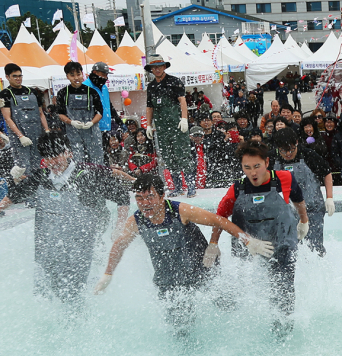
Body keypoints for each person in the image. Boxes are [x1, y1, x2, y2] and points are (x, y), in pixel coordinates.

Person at [98, 174, 260, 337]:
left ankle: (242, 329)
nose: (145, 204)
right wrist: (107, 274)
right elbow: (119, 245)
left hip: (200, 268)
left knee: (224, 305)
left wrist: (247, 241)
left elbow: (219, 221)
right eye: (139, 198)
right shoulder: (136, 221)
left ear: (162, 197)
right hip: (168, 278)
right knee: (179, 326)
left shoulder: (181, 211)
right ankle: (187, 354)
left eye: (150, 197)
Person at [210, 142, 310, 334]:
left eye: (257, 166)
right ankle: (244, 325)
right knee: (245, 285)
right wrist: (213, 243)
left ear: (267, 162)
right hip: (249, 245)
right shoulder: (237, 188)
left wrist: (304, 221)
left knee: (283, 287)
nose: (253, 173)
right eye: (247, 167)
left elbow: (298, 199)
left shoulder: (285, 179)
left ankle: (283, 329)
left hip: (281, 242)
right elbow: (219, 217)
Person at [19, 133, 129, 305]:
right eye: (47, 158)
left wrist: (120, 226)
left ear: (68, 153)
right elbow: (17, 192)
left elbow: (118, 185)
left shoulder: (87, 172)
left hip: (95, 220)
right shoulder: (44, 176)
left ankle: (95, 292)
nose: (52, 162)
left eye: (55, 156)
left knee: (92, 255)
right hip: (66, 226)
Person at [273, 129, 334, 256]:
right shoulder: (272, 158)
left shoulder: (308, 155)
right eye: (283, 151)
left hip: (312, 208)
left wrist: (329, 197)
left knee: (314, 245)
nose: (288, 154)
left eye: (291, 150)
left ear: (296, 143)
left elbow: (327, 173)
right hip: (287, 211)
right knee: (289, 247)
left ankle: (319, 267)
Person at [143, 55, 196, 198]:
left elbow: (182, 101)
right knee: (168, 157)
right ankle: (177, 187)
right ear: (151, 70)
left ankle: (191, 186)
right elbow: (149, 107)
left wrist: (184, 119)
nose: (157, 69)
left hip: (177, 125)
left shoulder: (174, 82)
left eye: (160, 66)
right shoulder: (151, 86)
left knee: (183, 155)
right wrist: (148, 125)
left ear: (164, 67)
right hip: (161, 127)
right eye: (154, 67)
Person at [0, 63, 49, 183]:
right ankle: (26, 194)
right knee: (23, 167)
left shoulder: (32, 92)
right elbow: (8, 118)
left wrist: (46, 131)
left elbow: (41, 113)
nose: (18, 78)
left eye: (20, 76)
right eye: (15, 76)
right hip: (20, 139)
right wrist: (20, 136)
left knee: (40, 165)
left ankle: (41, 190)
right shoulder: (5, 94)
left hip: (37, 135)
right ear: (7, 77)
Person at [54, 61, 104, 165]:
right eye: (72, 75)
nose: (76, 78)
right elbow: (60, 114)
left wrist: (91, 122)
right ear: (67, 76)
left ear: (83, 74)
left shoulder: (92, 92)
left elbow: (99, 112)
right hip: (73, 133)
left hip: (92, 132)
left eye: (78, 74)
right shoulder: (63, 93)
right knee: (78, 162)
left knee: (97, 161)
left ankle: (99, 180)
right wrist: (71, 122)